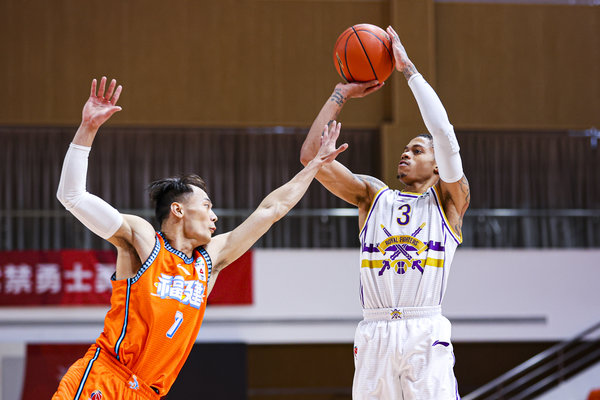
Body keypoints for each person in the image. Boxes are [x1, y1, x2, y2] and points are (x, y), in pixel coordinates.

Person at [53, 76, 348, 400]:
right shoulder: (144, 241)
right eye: (206, 206)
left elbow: (271, 209)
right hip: (106, 378)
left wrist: (315, 166)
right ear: (178, 210)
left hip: (148, 393)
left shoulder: (209, 260)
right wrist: (88, 128)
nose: (214, 216)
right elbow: (72, 196)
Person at [300, 26, 470, 400]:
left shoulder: (449, 204)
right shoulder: (374, 197)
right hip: (374, 331)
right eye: (405, 149)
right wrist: (340, 94)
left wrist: (409, 71)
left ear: (438, 166)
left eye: (417, 150)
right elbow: (311, 156)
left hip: (424, 328)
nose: (405, 153)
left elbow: (444, 134)